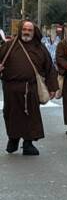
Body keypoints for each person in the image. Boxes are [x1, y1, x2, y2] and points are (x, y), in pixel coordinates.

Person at [1, 21, 59, 155]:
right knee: (11, 115)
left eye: (30, 30)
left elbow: (49, 68)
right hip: (11, 88)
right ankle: (13, 140)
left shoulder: (40, 48)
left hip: (31, 88)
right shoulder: (9, 46)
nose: (27, 32)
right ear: (21, 30)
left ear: (34, 32)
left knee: (31, 116)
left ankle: (28, 144)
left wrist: (52, 87)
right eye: (25, 29)